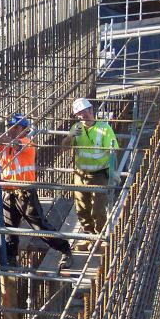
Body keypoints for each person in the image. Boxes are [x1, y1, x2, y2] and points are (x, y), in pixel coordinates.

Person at [0, 113, 75, 271]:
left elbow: (10, 142)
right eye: (10, 127)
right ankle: (10, 260)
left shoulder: (27, 143)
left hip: (25, 192)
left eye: (16, 128)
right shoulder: (4, 145)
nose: (12, 130)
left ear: (25, 130)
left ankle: (65, 249)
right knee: (9, 229)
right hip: (8, 192)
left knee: (39, 227)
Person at [62, 98, 119, 251]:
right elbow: (63, 148)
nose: (83, 115)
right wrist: (70, 136)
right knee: (82, 208)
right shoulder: (76, 128)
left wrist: (114, 173)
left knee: (98, 209)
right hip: (80, 174)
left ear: (91, 110)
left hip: (99, 175)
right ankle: (89, 237)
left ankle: (100, 237)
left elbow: (113, 152)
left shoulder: (104, 128)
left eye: (85, 111)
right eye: (79, 114)